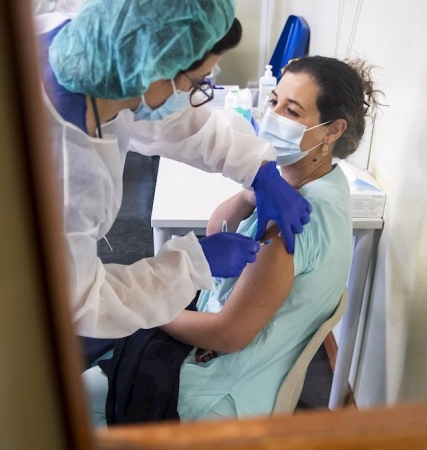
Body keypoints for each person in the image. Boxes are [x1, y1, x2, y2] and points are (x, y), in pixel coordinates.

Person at [84, 56, 383, 423]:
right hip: (235, 363)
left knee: (69, 399)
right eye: (273, 101)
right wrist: (249, 193)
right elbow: (217, 228)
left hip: (215, 391)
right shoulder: (324, 184)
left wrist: (152, 307)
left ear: (332, 130)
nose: (273, 117)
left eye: (292, 110)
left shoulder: (290, 225)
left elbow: (227, 333)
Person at [37, 0, 313, 338]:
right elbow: (79, 302)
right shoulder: (64, 169)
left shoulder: (95, 53)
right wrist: (188, 265)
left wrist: (259, 169)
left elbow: (176, 123)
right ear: (152, 68)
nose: (195, 95)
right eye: (196, 82)